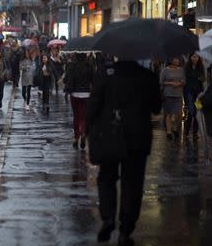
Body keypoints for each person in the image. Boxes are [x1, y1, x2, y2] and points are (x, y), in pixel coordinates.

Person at [86, 60, 161, 246]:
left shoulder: (105, 73)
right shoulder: (147, 76)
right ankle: (125, 230)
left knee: (107, 177)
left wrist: (89, 129)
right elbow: (156, 107)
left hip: (110, 133)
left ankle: (108, 217)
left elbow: (94, 104)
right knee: (133, 183)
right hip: (138, 137)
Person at [66, 53, 94, 149]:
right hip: (86, 94)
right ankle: (83, 134)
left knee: (76, 116)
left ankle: (76, 137)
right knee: (84, 117)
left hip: (74, 94)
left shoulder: (72, 66)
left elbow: (66, 79)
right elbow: (93, 80)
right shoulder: (89, 66)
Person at [160, 57, 186, 139]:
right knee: (169, 113)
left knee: (178, 113)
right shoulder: (165, 70)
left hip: (178, 94)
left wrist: (180, 83)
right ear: (171, 60)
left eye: (177, 59)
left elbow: (184, 81)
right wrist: (170, 83)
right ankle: (169, 132)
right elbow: (161, 81)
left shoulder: (181, 70)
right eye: (175, 59)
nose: (177, 60)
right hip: (168, 94)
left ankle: (175, 129)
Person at [183, 53, 204, 138]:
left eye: (197, 57)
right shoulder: (187, 67)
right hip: (189, 92)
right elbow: (184, 79)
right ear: (190, 57)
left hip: (198, 93)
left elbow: (203, 78)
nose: (195, 58)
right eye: (193, 57)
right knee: (191, 112)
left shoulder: (201, 67)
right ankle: (187, 132)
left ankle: (195, 133)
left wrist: (201, 78)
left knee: (197, 112)